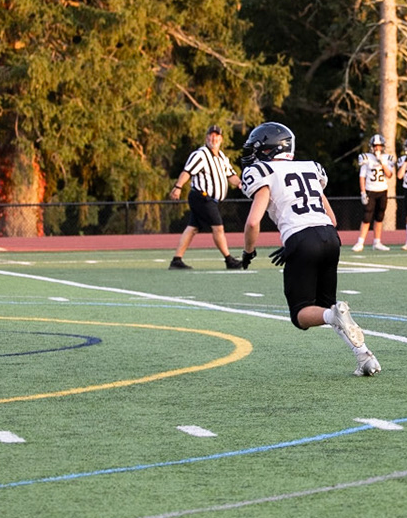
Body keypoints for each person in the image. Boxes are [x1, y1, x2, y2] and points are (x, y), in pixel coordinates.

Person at [239, 122, 381, 376]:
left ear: (270, 148)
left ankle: (338, 322)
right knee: (328, 309)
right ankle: (365, 357)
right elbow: (332, 219)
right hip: (330, 237)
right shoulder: (311, 168)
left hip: (302, 239)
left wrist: (249, 252)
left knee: (301, 313)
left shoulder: (263, 171)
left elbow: (252, 222)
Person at [169, 126, 241, 270]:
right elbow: (187, 171)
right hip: (202, 197)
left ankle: (176, 260)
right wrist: (178, 187)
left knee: (192, 228)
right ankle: (229, 259)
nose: (213, 139)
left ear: (221, 139)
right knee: (218, 227)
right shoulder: (200, 155)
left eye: (216, 136)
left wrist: (241, 184)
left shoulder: (222, 157)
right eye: (211, 136)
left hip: (210, 200)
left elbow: (231, 176)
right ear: (206, 138)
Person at [354, 133, 394, 252]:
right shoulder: (366, 158)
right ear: (371, 146)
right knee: (367, 217)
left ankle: (377, 242)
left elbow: (389, 175)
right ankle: (360, 242)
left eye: (379, 146)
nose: (377, 148)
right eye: (375, 146)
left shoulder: (387, 158)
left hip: (382, 190)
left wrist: (381, 162)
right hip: (370, 190)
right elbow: (362, 176)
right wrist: (363, 192)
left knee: (379, 217)